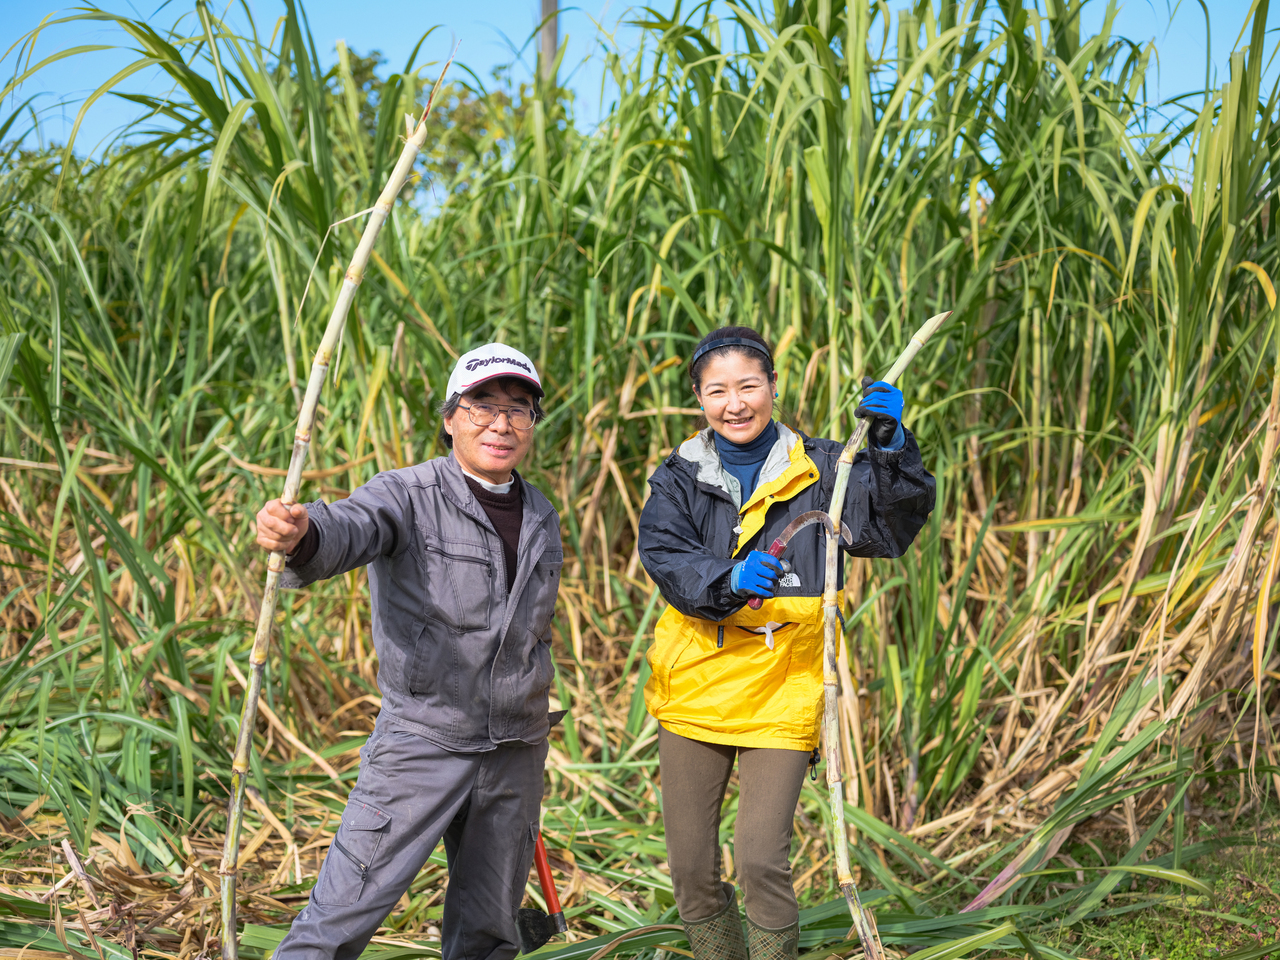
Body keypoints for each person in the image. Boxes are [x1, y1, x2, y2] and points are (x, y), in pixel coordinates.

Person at [255, 344, 563, 960]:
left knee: (490, 935)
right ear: (450, 418)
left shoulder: (540, 514)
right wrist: (301, 533)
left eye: (517, 410)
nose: (500, 424)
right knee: (338, 919)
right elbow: (347, 529)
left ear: (531, 424)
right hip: (422, 741)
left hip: (515, 750)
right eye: (481, 407)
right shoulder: (407, 494)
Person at [638, 327, 935, 960]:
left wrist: (890, 447)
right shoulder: (678, 476)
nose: (735, 404)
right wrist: (728, 579)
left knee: (759, 859)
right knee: (690, 867)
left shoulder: (828, 467)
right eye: (717, 391)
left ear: (773, 386)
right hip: (695, 685)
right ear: (698, 398)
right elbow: (665, 557)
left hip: (784, 688)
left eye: (748, 386)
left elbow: (888, 528)